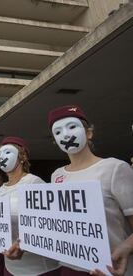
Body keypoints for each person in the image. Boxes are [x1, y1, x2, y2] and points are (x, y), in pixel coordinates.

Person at [47, 105, 133, 276]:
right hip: (69, 266)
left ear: (89, 133)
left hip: (111, 268)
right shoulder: (56, 175)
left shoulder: (115, 168)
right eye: (57, 132)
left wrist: (127, 246)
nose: (66, 135)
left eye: (72, 127)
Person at [0, 136, 60, 275]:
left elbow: (50, 223)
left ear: (22, 157)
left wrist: (24, 244)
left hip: (39, 269)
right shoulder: (0, 190)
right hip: (10, 268)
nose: (2, 157)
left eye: (7, 152)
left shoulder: (34, 183)